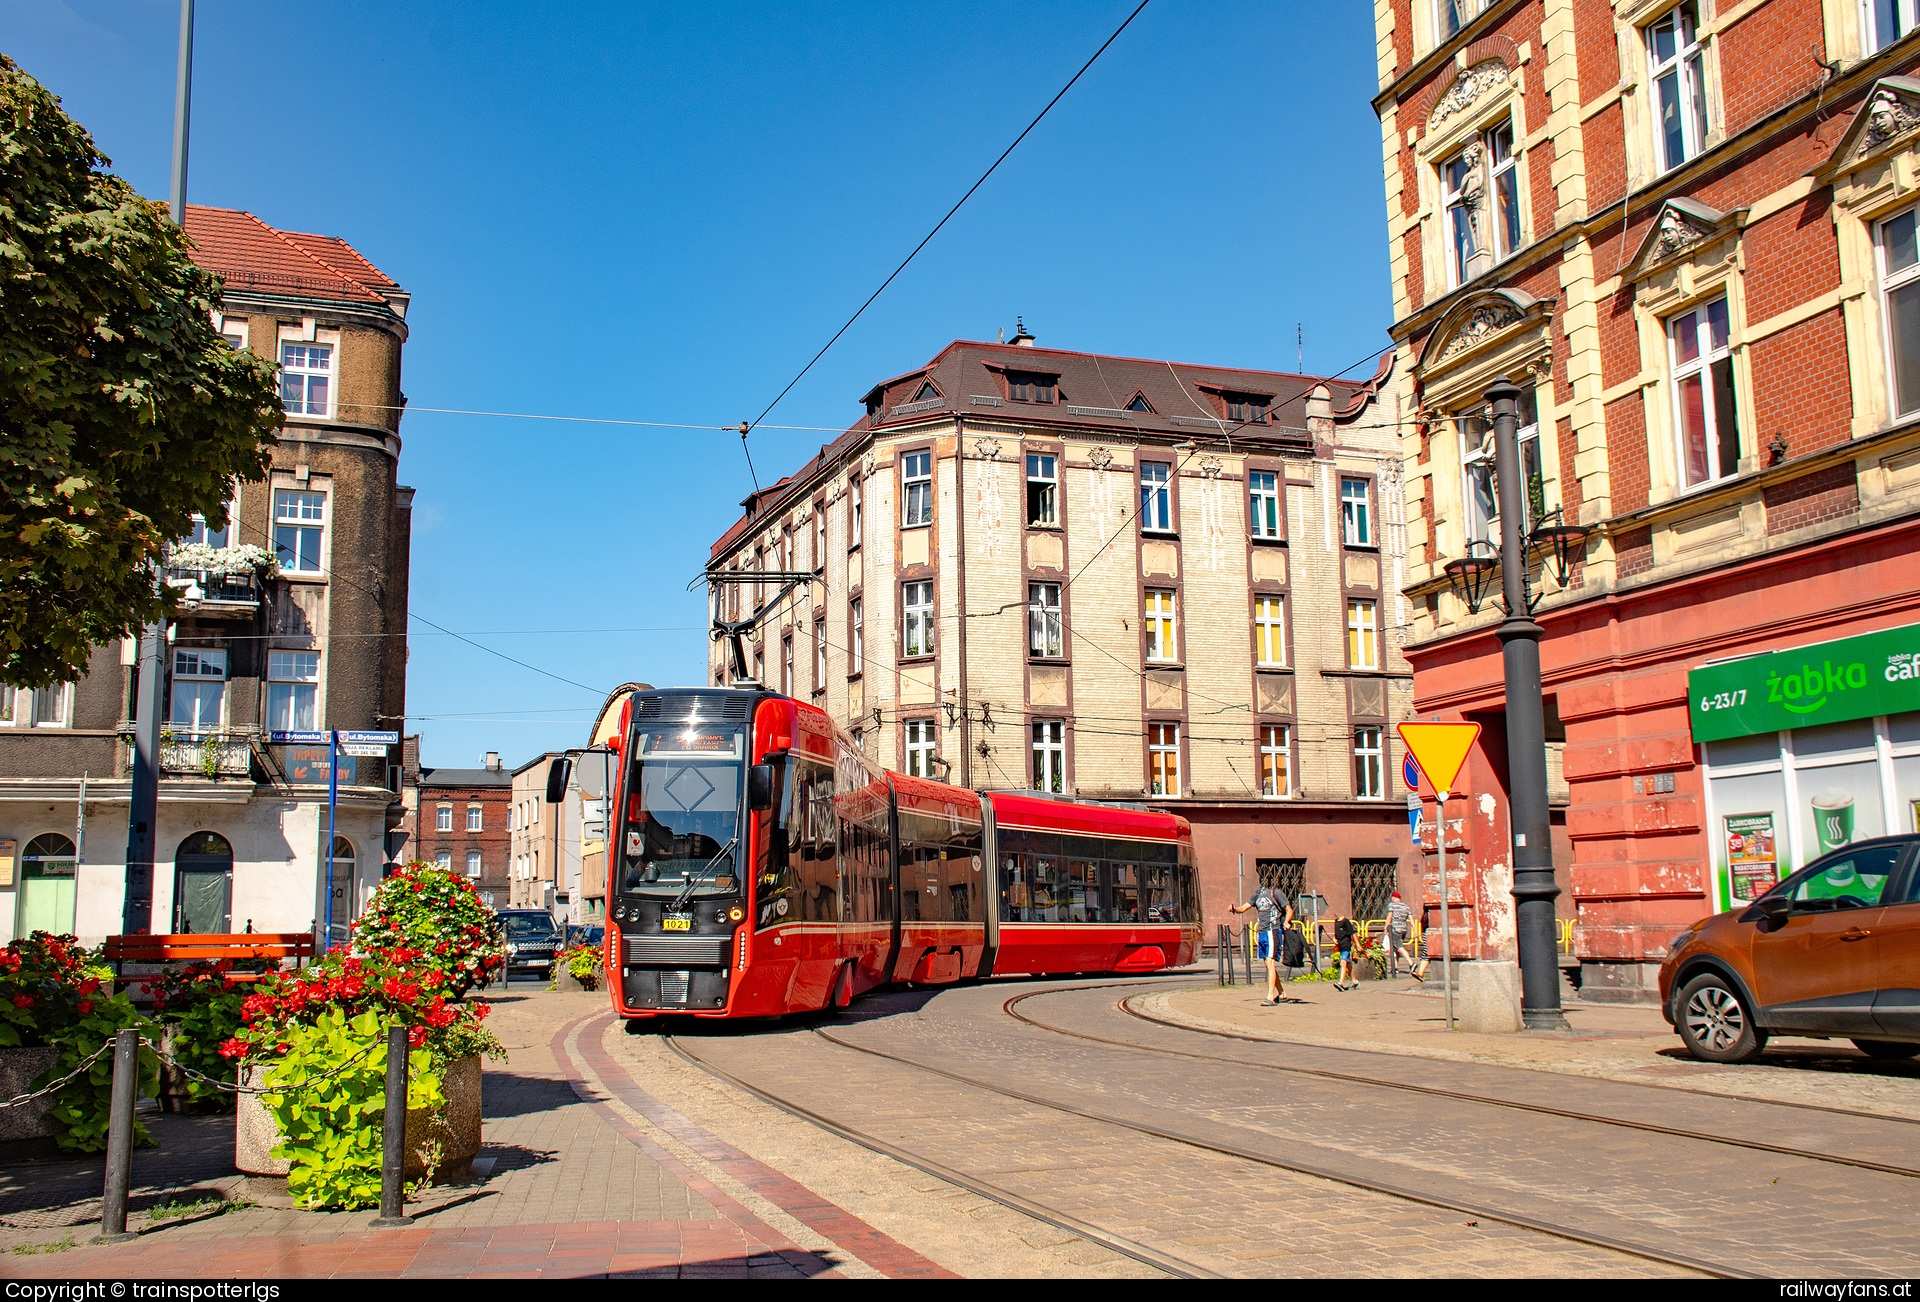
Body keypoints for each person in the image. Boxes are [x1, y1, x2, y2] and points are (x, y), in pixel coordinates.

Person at [1230, 882, 1294, 1006]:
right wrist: (1234, 909)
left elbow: (1289, 910)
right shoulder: (1257, 893)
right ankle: (1282, 992)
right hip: (1262, 932)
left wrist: (1287, 921)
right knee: (1267, 964)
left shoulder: (1276, 893)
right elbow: (1243, 908)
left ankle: (1270, 996)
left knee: (1270, 962)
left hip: (1272, 930)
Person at [1384, 890, 1417, 978]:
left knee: (1400, 948)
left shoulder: (1392, 905)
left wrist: (1386, 927)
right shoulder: (1406, 906)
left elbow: (1389, 916)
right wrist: (1415, 930)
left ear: (1393, 898)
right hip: (1404, 929)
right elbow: (1411, 918)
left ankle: (1411, 963)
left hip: (1395, 929)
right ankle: (1395, 968)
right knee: (1395, 948)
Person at [1332, 915, 1358, 991]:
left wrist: (1358, 945)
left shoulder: (1346, 922)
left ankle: (1341, 982)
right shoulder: (1336, 922)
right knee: (1348, 964)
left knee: (1343, 962)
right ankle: (1354, 981)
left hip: (1346, 945)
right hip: (1341, 945)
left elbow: (1353, 933)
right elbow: (1337, 934)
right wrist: (1334, 939)